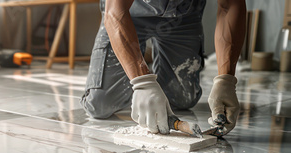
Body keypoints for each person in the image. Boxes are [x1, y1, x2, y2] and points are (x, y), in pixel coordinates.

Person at [81, 0, 246, 135]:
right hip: (128, 13)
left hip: (182, 16)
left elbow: (230, 5)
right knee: (100, 105)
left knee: (182, 99)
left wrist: (226, 80)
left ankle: (155, 91)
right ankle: (141, 90)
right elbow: (116, 13)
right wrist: (141, 82)